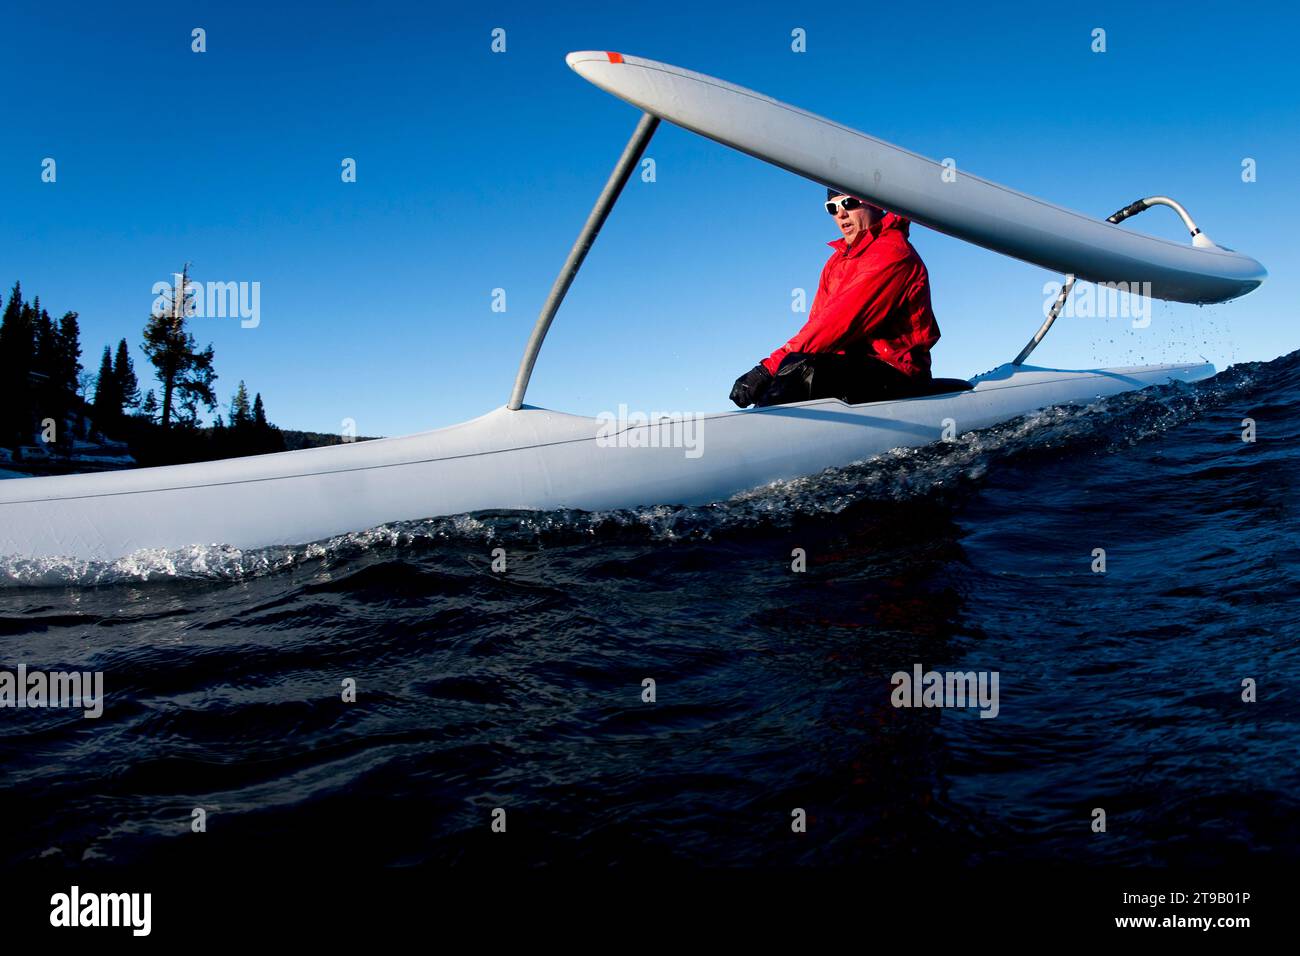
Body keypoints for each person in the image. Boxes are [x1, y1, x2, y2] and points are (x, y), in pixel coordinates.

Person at [730, 188, 941, 408]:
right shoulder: (835, 262)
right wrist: (774, 371)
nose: (841, 214)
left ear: (875, 204)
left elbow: (835, 325)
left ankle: (768, 433)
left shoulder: (893, 255)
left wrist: (767, 368)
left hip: (898, 373)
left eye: (849, 203)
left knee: (802, 368)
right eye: (832, 208)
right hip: (852, 368)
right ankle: (762, 428)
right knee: (794, 365)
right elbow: (816, 326)